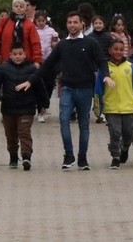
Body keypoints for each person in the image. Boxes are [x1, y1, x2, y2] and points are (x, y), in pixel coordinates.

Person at [18, 11, 113, 171]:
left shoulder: (91, 43)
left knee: (84, 124)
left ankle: (82, 158)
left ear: (82, 24)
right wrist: (30, 81)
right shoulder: (62, 45)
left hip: (85, 89)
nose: (72, 25)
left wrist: (106, 76)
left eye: (75, 22)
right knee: (64, 121)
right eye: (69, 22)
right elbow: (47, 65)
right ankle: (68, 155)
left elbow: (101, 61)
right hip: (67, 88)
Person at [94, 39, 133, 169]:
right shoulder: (104, 68)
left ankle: (124, 147)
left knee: (128, 134)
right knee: (115, 132)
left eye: (121, 50)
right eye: (115, 49)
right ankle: (115, 156)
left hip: (128, 107)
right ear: (110, 50)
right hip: (111, 107)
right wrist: (97, 107)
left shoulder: (130, 67)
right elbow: (98, 89)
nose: (118, 52)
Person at [0, 45, 49, 170]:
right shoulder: (4, 68)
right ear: (10, 55)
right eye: (15, 54)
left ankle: (26, 156)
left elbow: (39, 86)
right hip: (8, 108)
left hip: (27, 107)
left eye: (20, 54)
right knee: (11, 135)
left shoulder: (31, 68)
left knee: (24, 132)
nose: (18, 57)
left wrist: (44, 102)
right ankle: (13, 156)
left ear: (25, 54)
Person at [0, 0, 42, 65]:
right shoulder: (4, 22)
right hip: (6, 60)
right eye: (16, 6)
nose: (18, 8)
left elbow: (36, 43)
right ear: (12, 8)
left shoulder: (30, 25)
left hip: (26, 62)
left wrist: (37, 60)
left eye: (21, 6)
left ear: (25, 8)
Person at [33, 11, 59, 122]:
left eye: (43, 20)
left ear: (46, 21)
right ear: (35, 21)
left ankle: (44, 106)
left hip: (50, 62)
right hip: (38, 61)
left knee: (49, 85)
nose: (41, 23)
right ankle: (40, 110)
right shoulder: (33, 31)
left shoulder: (52, 31)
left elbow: (56, 44)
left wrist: (55, 43)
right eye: (38, 21)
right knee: (39, 85)